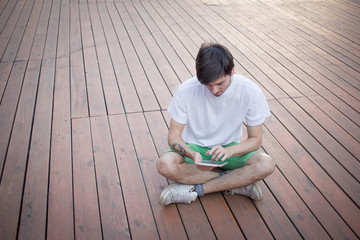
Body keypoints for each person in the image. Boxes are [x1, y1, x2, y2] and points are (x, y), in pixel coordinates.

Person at [157, 43, 275, 205]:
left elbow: (256, 140)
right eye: (207, 85)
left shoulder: (250, 91)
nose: (214, 90)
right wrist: (191, 153)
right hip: (194, 147)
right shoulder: (185, 90)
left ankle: (195, 190)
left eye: (220, 83)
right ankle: (238, 182)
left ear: (232, 71)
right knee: (164, 165)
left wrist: (230, 151)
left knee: (266, 163)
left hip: (228, 148)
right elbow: (174, 137)